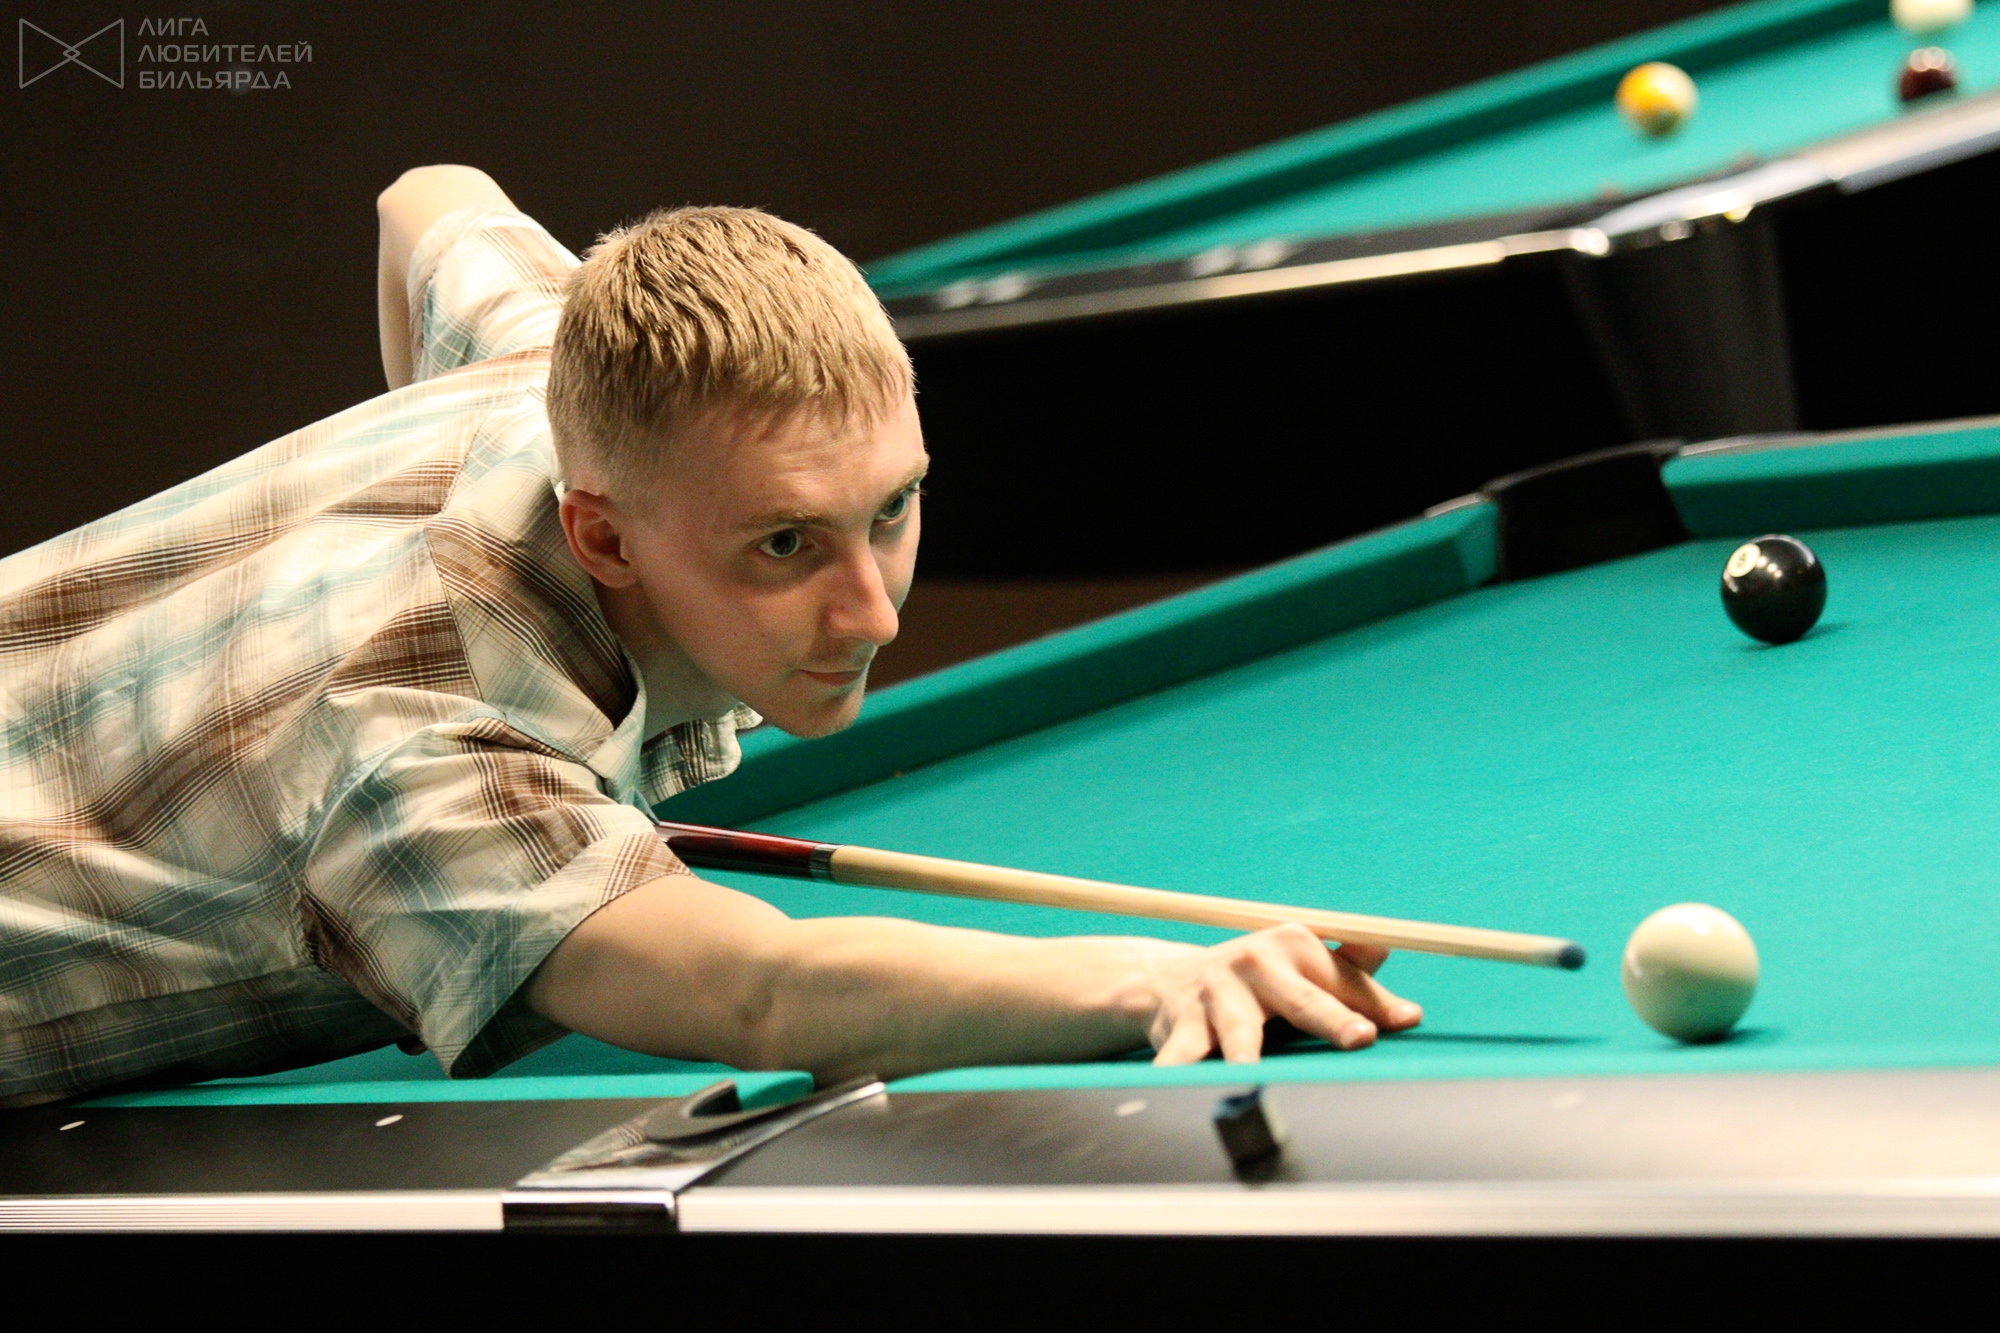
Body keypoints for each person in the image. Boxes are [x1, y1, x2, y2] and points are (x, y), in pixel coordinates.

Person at [0, 166, 1421, 1107]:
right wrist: (1152, 977)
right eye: (785, 546)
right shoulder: (430, 749)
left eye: (894, 508)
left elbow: (427, 197)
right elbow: (760, 990)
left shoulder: (565, 362)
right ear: (603, 535)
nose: (875, 611)